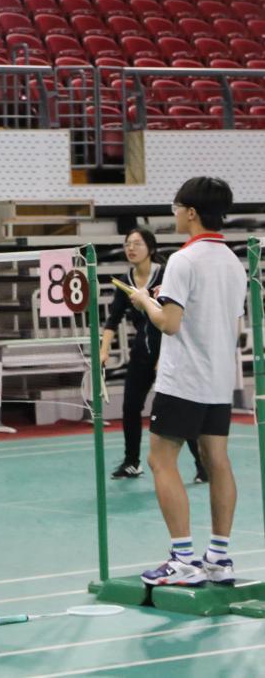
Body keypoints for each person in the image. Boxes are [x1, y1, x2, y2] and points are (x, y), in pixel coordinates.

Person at [129, 178, 247, 587]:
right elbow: (235, 326)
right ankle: (218, 557)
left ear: (191, 212)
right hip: (218, 380)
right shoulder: (233, 262)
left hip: (183, 380)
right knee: (218, 461)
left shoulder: (183, 260)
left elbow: (170, 323)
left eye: (176, 207)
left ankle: (182, 559)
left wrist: (145, 300)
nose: (175, 214)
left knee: (160, 461)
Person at [99, 228, 204, 481]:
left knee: (179, 410)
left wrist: (163, 358)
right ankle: (131, 462)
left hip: (170, 352)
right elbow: (113, 321)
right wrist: (103, 351)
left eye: (137, 243)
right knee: (130, 406)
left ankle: (202, 466)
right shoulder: (125, 281)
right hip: (141, 354)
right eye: (127, 244)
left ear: (151, 248)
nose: (131, 248)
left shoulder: (165, 275)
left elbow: (177, 316)